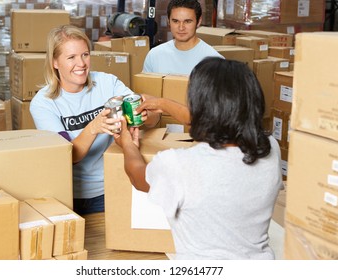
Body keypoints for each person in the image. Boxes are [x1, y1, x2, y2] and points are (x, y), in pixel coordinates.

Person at [114, 57, 283, 259]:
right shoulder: (271, 147)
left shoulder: (180, 165)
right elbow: (222, 120)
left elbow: (137, 175)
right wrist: (162, 104)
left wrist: (127, 144)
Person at [30, 25, 160, 215]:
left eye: (85, 54)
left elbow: (154, 117)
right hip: (69, 197)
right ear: (55, 62)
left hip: (113, 187)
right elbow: (68, 156)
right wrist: (93, 128)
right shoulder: (43, 104)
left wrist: (145, 116)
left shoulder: (107, 83)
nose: (81, 63)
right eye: (71, 57)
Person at [142, 0, 224, 75]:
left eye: (187, 21)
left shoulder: (215, 61)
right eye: (175, 21)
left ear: (198, 22)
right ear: (168, 21)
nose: (181, 28)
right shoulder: (154, 55)